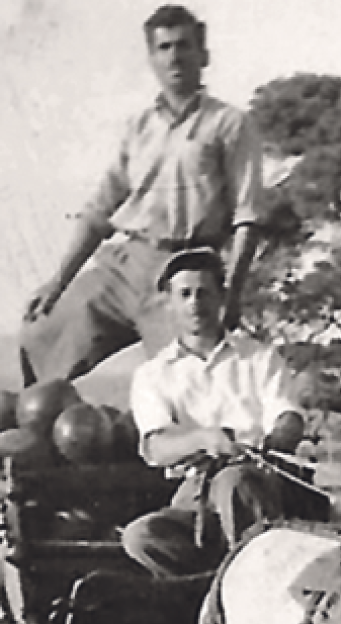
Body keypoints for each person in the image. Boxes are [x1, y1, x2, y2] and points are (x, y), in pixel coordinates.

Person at [20, 4, 263, 386]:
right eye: (164, 47)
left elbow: (247, 218)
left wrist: (230, 296)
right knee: (41, 333)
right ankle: (32, 422)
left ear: (203, 55)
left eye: (183, 46)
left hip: (186, 268)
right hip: (127, 264)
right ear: (151, 59)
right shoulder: (138, 128)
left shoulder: (229, 124)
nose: (175, 57)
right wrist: (58, 281)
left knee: (189, 382)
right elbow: (100, 210)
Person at [122, 248, 304, 579]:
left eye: (204, 293)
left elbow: (287, 415)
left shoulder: (259, 358)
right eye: (185, 294)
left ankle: (253, 584)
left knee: (235, 481)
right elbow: (156, 447)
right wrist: (204, 439)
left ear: (221, 297)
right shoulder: (152, 375)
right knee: (141, 537)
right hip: (195, 498)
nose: (195, 303)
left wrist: (276, 439)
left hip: (259, 486)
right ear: (169, 302)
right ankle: (219, 589)